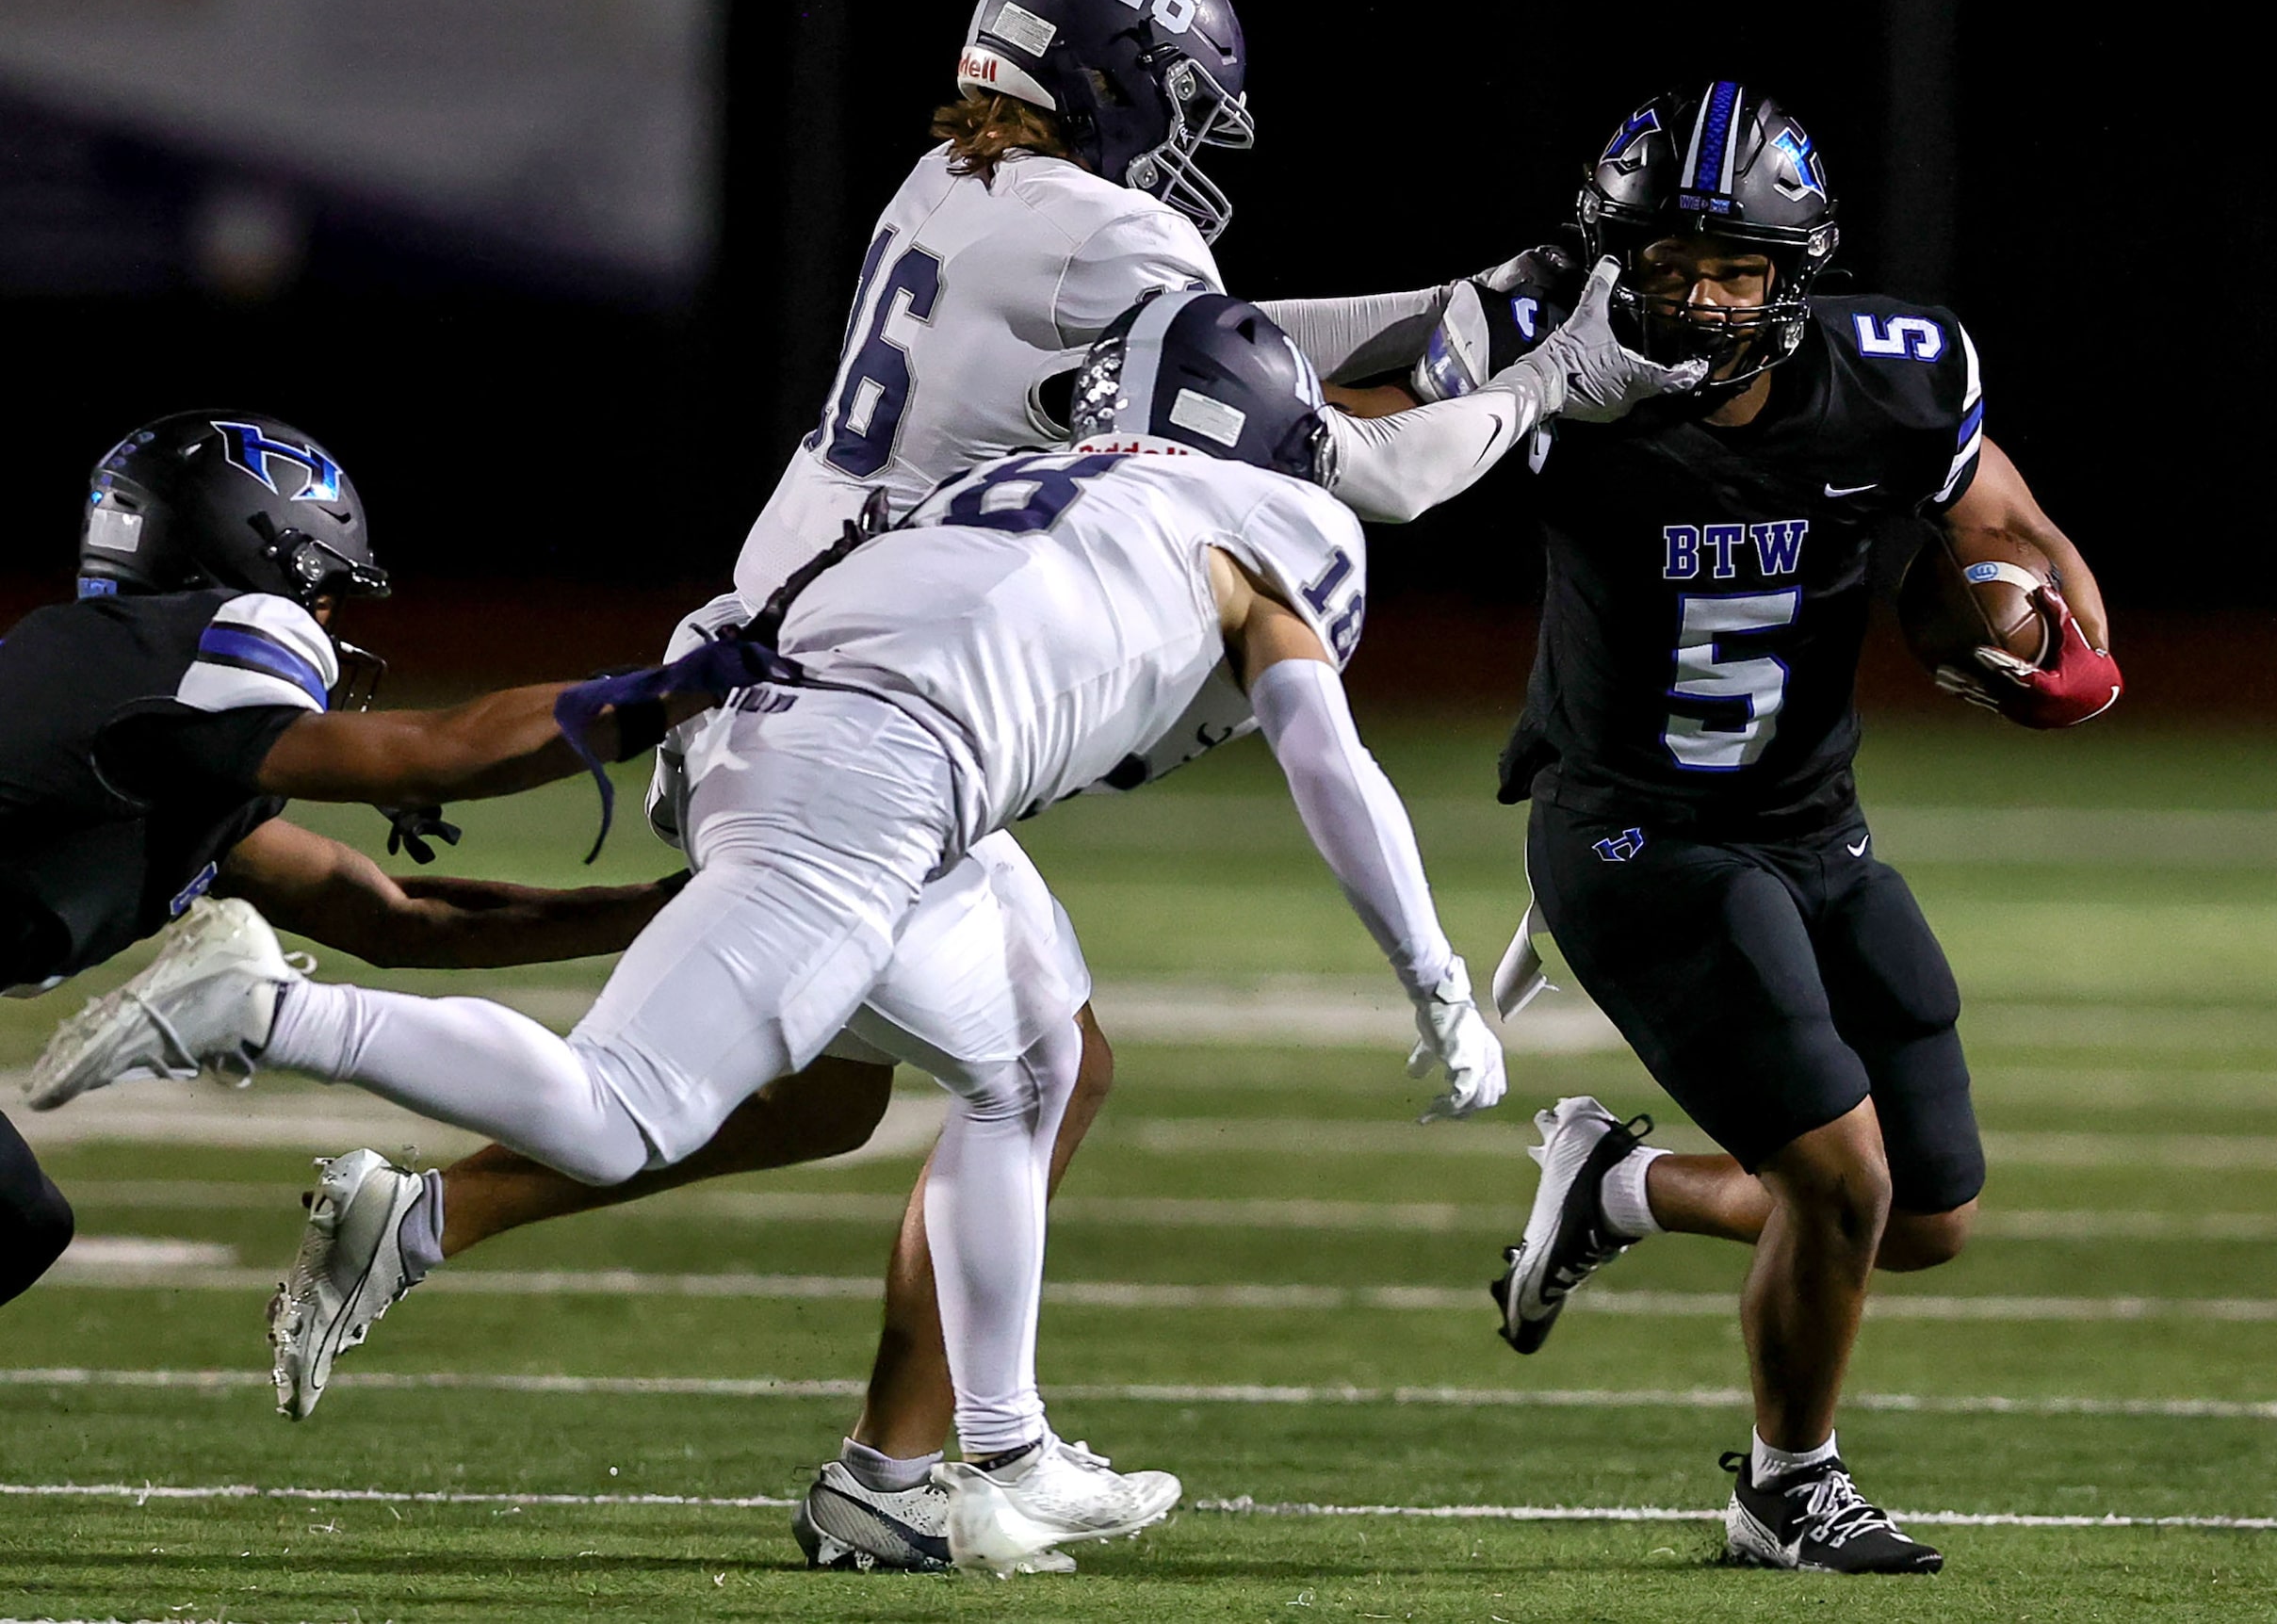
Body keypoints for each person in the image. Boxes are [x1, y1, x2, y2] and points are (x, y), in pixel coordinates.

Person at [263, 0, 1564, 1575]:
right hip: (848, 697)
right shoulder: (1111, 239)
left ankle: (475, 1237)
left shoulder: (950, 187)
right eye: (1170, 102)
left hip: (798, 650)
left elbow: (1234, 355)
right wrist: (1535, 354)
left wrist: (1491, 301)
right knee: (783, 1083)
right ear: (1106, 89)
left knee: (873, 1084)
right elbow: (1294, 416)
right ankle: (296, 1047)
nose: (1184, 145)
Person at [31, 284, 1698, 1571]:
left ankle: (994, 1446)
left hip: (794, 712)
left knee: (1035, 1055)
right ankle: (266, 1018)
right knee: (624, 1110)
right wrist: (1433, 985)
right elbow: (1325, 751)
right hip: (882, 773)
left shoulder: (1039, 468)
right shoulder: (1275, 523)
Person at [1448, 84, 2121, 1574]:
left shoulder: (1894, 372)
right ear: (1612, 259)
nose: (1695, 297)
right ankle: (1785, 1485)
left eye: (1733, 268)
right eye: (1668, 262)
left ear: (1791, 274)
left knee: (1927, 1214)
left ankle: (1615, 1185)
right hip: (1630, 831)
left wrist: (2065, 640)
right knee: (1843, 1178)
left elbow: (2002, 528)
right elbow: (1349, 417)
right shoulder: (1556, 375)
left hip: (1814, 820)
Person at [1, 411, 697, 1310]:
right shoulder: (196, 647)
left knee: (14, 1222)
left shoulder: (133, 717)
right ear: (256, 562)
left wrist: (675, 905)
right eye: (323, 591)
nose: (327, 620)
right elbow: (439, 752)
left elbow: (391, 918)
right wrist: (689, 685)